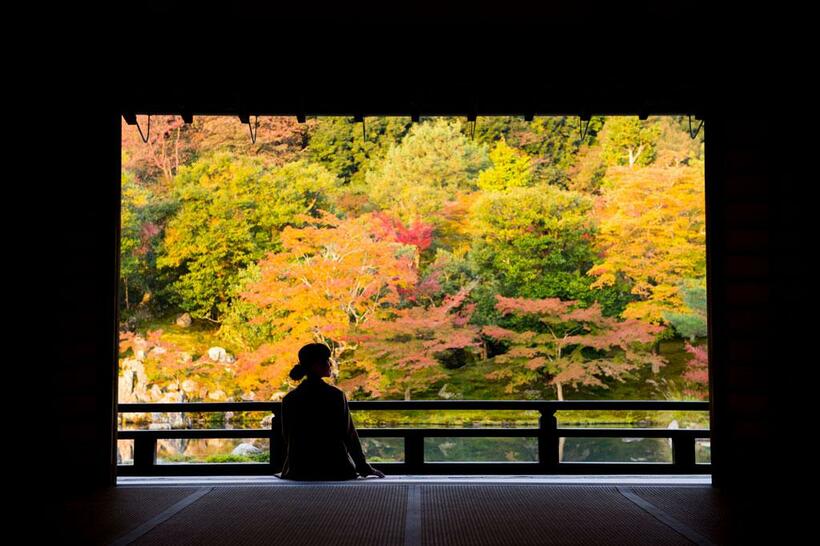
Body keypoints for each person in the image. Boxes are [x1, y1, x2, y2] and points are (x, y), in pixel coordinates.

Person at [277, 343, 386, 480]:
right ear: (316, 365)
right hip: (336, 467)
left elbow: (287, 436)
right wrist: (362, 466)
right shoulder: (335, 395)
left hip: (299, 469)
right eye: (326, 361)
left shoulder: (290, 399)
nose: (330, 364)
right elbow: (349, 434)